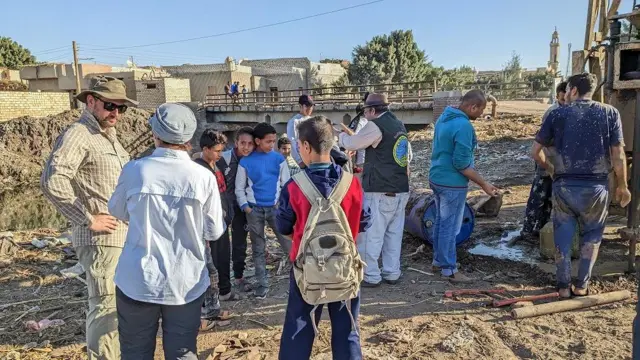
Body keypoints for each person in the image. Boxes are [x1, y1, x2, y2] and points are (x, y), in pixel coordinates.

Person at [108, 103, 226, 359]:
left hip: (137, 280)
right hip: (185, 282)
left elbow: (117, 211)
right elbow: (214, 230)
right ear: (189, 138)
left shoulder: (134, 170)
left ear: (155, 134)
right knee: (183, 351)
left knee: (135, 352)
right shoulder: (202, 177)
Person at [41, 76, 137, 359]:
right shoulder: (79, 134)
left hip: (120, 236)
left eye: (121, 108)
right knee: (105, 305)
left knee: (117, 306)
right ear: (91, 101)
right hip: (100, 238)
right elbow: (53, 180)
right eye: (110, 105)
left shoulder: (109, 137)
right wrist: (88, 218)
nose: (115, 113)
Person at [276, 116, 370, 360]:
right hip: (344, 267)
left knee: (298, 328)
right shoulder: (352, 184)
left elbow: (283, 227)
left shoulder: (294, 186)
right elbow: (364, 221)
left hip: (306, 269)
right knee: (348, 329)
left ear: (306, 146)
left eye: (298, 144)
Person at [532, 73, 631, 298]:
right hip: (596, 188)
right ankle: (582, 285)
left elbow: (535, 152)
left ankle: (563, 287)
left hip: (564, 186)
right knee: (592, 236)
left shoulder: (556, 114)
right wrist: (623, 186)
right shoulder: (609, 113)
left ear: (573, 91)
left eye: (567, 90)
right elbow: (618, 155)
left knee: (563, 235)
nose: (565, 94)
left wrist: (550, 169)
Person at [337, 93, 412, 287]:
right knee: (393, 235)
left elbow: (353, 144)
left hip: (380, 188)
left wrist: (342, 136)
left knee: (372, 235)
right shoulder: (398, 125)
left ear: (371, 110)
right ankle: (392, 272)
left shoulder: (375, 125)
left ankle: (371, 275)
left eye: (366, 111)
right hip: (400, 187)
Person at [429, 90, 498, 283]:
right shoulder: (464, 126)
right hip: (452, 183)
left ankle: (438, 261)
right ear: (472, 107)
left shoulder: (445, 117)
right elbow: (461, 163)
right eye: (481, 109)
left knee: (442, 223)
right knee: (450, 227)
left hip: (436, 176)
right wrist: (484, 183)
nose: (481, 114)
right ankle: (449, 269)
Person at [235, 123, 292, 299]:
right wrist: (246, 206)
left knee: (288, 243)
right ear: (258, 141)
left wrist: (281, 205)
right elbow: (239, 188)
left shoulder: (279, 159)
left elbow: (286, 184)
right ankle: (262, 284)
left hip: (275, 209)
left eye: (274, 141)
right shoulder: (245, 162)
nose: (272, 145)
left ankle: (300, 280)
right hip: (254, 210)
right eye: (268, 141)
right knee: (258, 248)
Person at [194, 130, 241, 329]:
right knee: (208, 268)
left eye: (222, 150)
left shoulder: (217, 165)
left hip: (221, 223)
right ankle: (206, 312)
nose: (220, 154)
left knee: (221, 261)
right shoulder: (197, 169)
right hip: (205, 227)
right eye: (216, 151)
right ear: (205, 149)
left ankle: (216, 304)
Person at [520, 81, 568, 240]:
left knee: (550, 198)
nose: (565, 103)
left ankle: (541, 229)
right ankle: (527, 229)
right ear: (557, 97)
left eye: (567, 100)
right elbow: (543, 140)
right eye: (562, 100)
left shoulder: (570, 112)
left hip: (559, 162)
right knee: (538, 196)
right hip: (546, 159)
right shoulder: (552, 113)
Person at [216, 127, 255, 293]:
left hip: (242, 207)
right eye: (242, 143)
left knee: (240, 243)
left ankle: (238, 276)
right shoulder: (223, 159)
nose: (246, 147)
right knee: (220, 244)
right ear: (236, 143)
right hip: (222, 207)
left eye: (250, 144)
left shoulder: (254, 160)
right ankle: (219, 280)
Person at [287, 95, 315, 167]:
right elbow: (292, 141)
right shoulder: (294, 121)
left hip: (313, 159)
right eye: (306, 106)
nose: (309, 108)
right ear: (300, 106)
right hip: (302, 161)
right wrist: (299, 161)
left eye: (311, 106)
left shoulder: (312, 120)